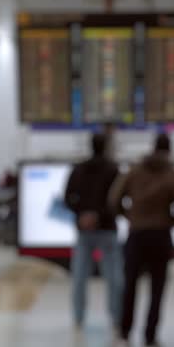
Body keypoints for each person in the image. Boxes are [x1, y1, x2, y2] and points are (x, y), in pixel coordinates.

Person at [110, 133, 174, 347]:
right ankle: (150, 337)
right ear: (169, 150)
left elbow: (114, 199)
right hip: (161, 236)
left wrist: (129, 216)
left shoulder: (134, 171)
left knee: (130, 285)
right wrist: (172, 220)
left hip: (137, 235)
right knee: (157, 288)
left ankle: (125, 333)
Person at [64, 133, 122, 331]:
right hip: (107, 230)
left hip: (83, 231)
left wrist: (83, 214)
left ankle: (78, 317)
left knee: (79, 276)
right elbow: (118, 200)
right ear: (105, 146)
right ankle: (116, 317)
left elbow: (67, 197)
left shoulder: (78, 170)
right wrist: (99, 215)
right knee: (113, 277)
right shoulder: (113, 170)